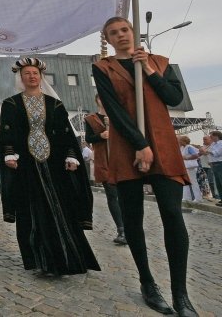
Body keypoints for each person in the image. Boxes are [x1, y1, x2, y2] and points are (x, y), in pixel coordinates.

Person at [93, 16, 197, 317]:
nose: (121, 35)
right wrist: (140, 144)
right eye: (113, 33)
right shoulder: (103, 68)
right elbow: (113, 108)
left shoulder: (161, 62)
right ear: (108, 40)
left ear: (133, 32)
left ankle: (181, 294)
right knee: (133, 217)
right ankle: (148, 283)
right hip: (127, 145)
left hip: (163, 143)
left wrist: (149, 70)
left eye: (124, 30)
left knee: (172, 215)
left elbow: (174, 97)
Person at [0, 57, 99, 276]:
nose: (32, 76)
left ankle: (69, 257)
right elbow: (6, 133)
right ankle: (42, 261)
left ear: (41, 76)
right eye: (27, 74)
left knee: (61, 207)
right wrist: (9, 154)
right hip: (26, 165)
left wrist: (72, 156)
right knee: (33, 211)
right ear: (21, 78)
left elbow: (67, 135)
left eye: (35, 73)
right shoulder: (11, 104)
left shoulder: (55, 104)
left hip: (54, 165)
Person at [85, 95, 127, 245]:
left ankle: (130, 227)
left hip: (121, 159)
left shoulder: (119, 114)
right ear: (97, 100)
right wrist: (100, 136)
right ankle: (121, 229)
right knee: (112, 194)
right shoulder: (90, 118)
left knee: (124, 195)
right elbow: (89, 138)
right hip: (103, 160)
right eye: (101, 97)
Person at [202, 130, 222, 207]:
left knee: (221, 181)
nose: (210, 137)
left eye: (211, 136)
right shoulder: (213, 144)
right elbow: (209, 153)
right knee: (218, 183)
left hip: (220, 163)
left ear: (216, 136)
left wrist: (208, 151)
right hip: (214, 164)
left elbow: (217, 153)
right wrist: (208, 152)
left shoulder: (221, 143)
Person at [179, 136, 202, 203]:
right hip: (186, 166)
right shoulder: (183, 147)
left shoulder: (189, 147)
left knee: (193, 182)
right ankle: (186, 197)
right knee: (186, 182)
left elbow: (195, 155)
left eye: (180, 140)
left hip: (190, 166)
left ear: (183, 141)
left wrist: (186, 158)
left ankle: (198, 198)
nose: (179, 142)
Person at [198, 135, 216, 200]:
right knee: (208, 182)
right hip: (204, 166)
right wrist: (201, 151)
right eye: (203, 139)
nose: (203, 141)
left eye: (205, 139)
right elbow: (199, 154)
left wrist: (202, 151)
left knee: (212, 181)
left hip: (210, 166)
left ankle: (215, 196)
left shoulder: (212, 146)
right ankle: (213, 195)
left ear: (210, 139)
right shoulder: (203, 147)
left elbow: (206, 153)